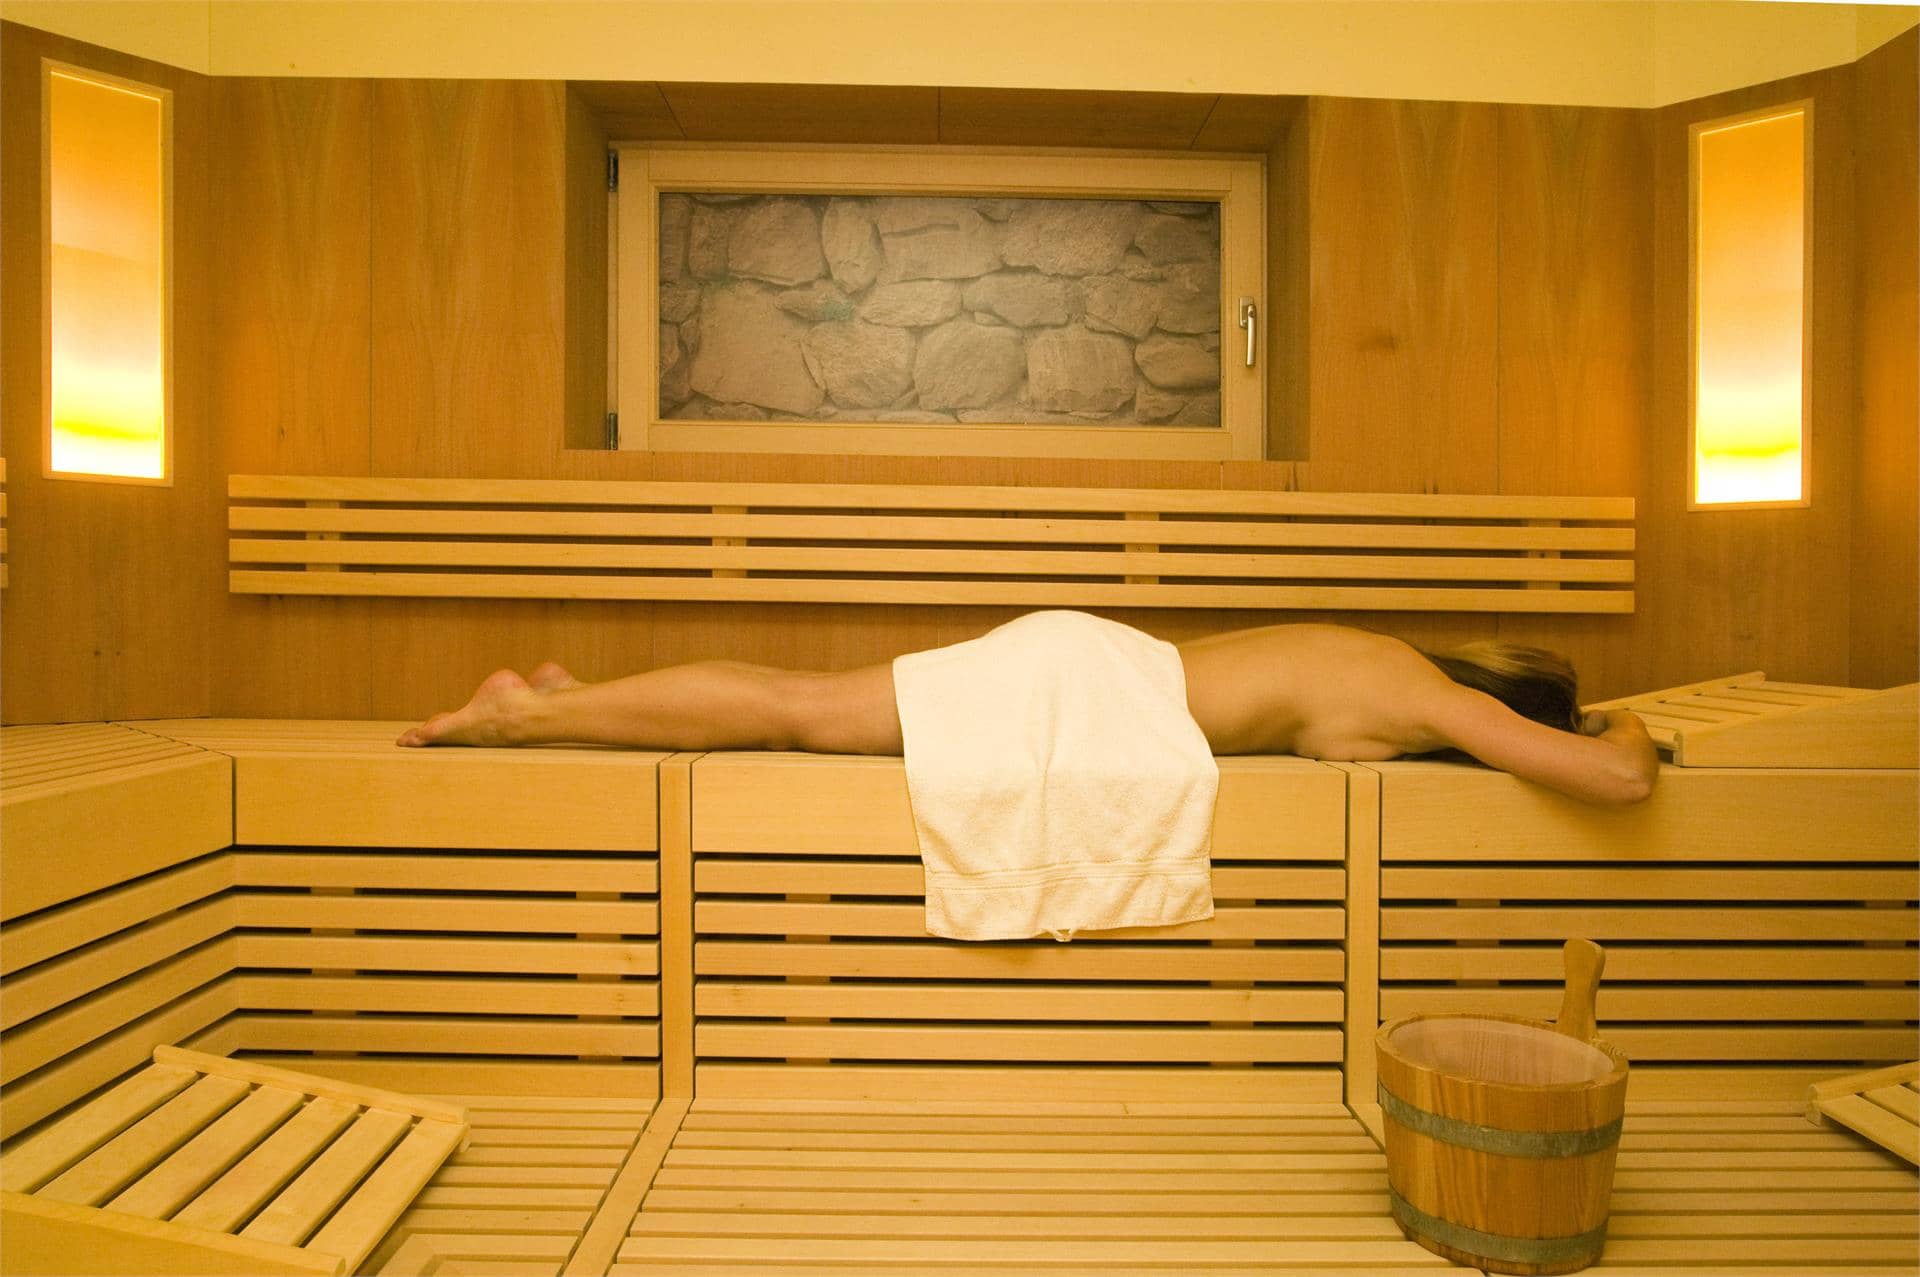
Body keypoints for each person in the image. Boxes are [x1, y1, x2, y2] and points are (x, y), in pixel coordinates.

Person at [395, 618, 1659, 807]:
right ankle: (519, 717)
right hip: (1081, 691)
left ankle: (568, 701)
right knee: (793, 710)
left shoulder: (1383, 658)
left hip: (1090, 672)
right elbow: (1618, 782)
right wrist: (1627, 728)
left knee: (799, 705)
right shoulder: (1425, 695)